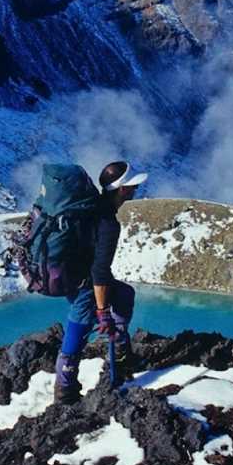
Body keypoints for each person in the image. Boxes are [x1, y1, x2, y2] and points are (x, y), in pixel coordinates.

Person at [54, 160, 147, 404]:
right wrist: (102, 311)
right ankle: (64, 389)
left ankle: (120, 353)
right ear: (123, 189)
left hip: (73, 274)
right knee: (80, 324)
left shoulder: (92, 205)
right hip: (84, 282)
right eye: (133, 187)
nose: (136, 190)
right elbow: (100, 270)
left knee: (124, 294)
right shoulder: (108, 223)